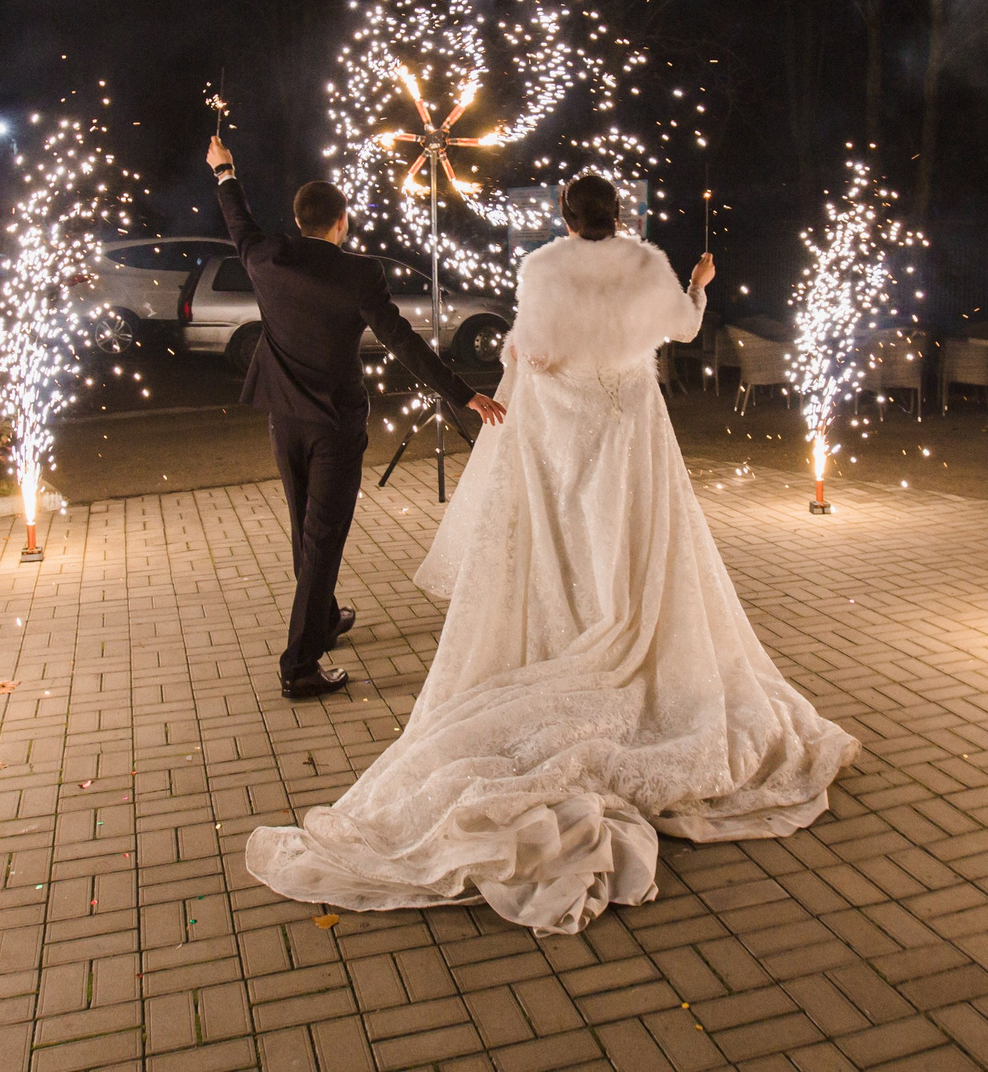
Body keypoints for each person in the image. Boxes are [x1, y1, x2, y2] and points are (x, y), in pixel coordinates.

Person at [244, 174, 859, 934]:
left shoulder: (541, 268)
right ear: (620, 218)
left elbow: (531, 355)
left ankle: (576, 630)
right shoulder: (647, 265)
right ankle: (618, 626)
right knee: (635, 538)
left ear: (565, 220)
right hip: (632, 426)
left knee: (572, 536)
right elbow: (685, 331)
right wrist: (699, 286)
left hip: (572, 435)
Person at [208, 135, 508, 702]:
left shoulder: (267, 256)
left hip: (284, 418)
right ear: (341, 222)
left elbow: (237, 220)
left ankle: (321, 621)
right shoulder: (359, 273)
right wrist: (462, 393)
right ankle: (299, 664)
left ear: (300, 220)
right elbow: (402, 342)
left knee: (306, 527)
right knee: (322, 538)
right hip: (336, 424)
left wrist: (225, 169)